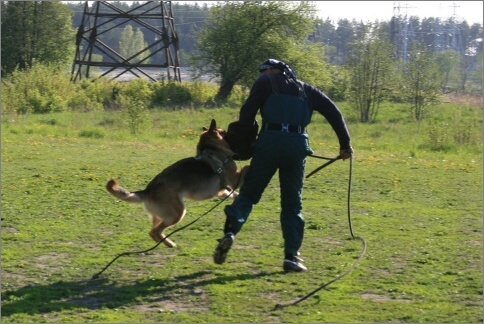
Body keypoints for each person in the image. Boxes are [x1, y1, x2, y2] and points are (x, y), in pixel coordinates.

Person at [214, 58, 353, 272]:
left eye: (264, 71)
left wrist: (245, 136)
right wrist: (345, 145)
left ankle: (230, 232)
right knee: (292, 204)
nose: (262, 75)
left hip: (269, 141)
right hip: (297, 146)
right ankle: (291, 257)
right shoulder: (307, 90)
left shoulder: (264, 83)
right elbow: (334, 113)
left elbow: (247, 112)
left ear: (272, 70)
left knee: (249, 193)